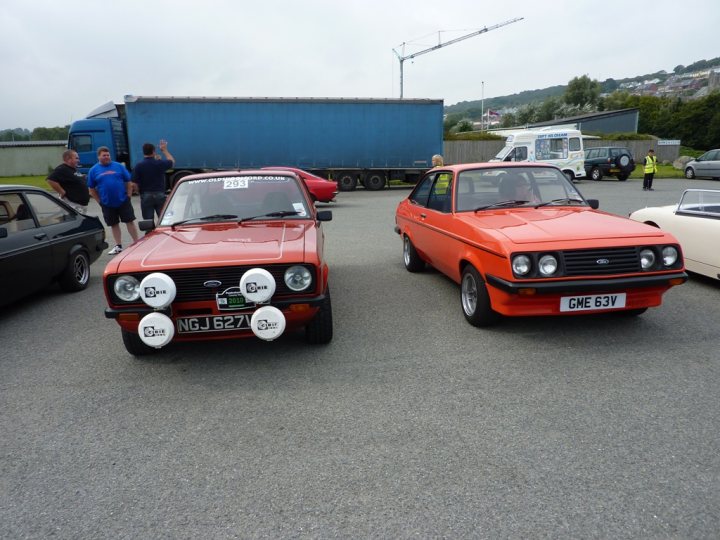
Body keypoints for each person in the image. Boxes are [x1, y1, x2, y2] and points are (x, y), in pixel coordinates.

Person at [87, 146, 139, 254]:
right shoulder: (93, 170)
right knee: (113, 224)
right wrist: (100, 201)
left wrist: (129, 195)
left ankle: (137, 243)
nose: (106, 157)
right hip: (107, 203)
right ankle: (118, 246)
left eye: (108, 155)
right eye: (104, 155)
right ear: (98, 157)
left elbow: (128, 181)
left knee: (130, 222)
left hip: (123, 200)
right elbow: (91, 189)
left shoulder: (118, 166)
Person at [131, 139, 175, 221]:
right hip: (160, 194)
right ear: (154, 151)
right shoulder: (159, 163)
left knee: (148, 222)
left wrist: (138, 191)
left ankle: (150, 232)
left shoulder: (139, 166)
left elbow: (134, 184)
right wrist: (164, 150)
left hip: (146, 195)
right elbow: (172, 161)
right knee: (163, 220)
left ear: (143, 152)